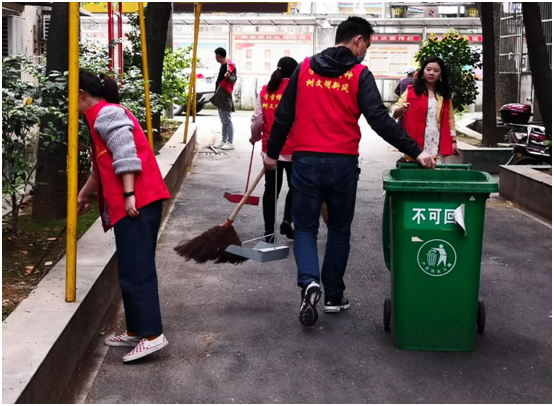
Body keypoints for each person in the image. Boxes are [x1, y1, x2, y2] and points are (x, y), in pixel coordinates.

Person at [263, 16, 436, 327]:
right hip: (342, 165)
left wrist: (272, 154)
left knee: (304, 229)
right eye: (366, 45)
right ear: (357, 40)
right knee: (339, 231)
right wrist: (417, 151)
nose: (365, 52)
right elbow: (380, 119)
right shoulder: (358, 74)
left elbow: (283, 116)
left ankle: (309, 282)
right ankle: (333, 296)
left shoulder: (304, 68)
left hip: (305, 163)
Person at [77, 71, 171, 362]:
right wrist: (84, 194)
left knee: (138, 269)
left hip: (137, 203)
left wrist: (129, 195)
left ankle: (153, 335)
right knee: (129, 268)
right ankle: (136, 330)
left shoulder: (106, 115)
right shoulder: (100, 116)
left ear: (81, 94)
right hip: (134, 202)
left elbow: (126, 155)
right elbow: (102, 164)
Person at [250, 57, 299, 242]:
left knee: (271, 190)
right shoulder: (298, 91)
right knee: (295, 188)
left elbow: (257, 120)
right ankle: (288, 220)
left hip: (271, 150)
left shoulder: (266, 91)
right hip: (295, 149)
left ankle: (268, 233)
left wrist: (254, 137)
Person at [393, 56, 460, 163]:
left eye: (436, 70)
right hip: (415, 142)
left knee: (436, 174)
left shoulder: (444, 95)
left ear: (441, 73)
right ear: (422, 71)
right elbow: (395, 109)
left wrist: (453, 142)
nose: (431, 73)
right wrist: (401, 109)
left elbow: (450, 119)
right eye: (428, 69)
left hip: (437, 142)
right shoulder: (411, 91)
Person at [211, 47, 237, 151]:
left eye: (216, 56)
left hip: (225, 96)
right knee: (223, 120)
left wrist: (228, 77)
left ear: (218, 55)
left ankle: (230, 142)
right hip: (219, 95)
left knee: (227, 119)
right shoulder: (223, 65)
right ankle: (224, 140)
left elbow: (233, 79)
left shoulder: (229, 66)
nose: (215, 58)